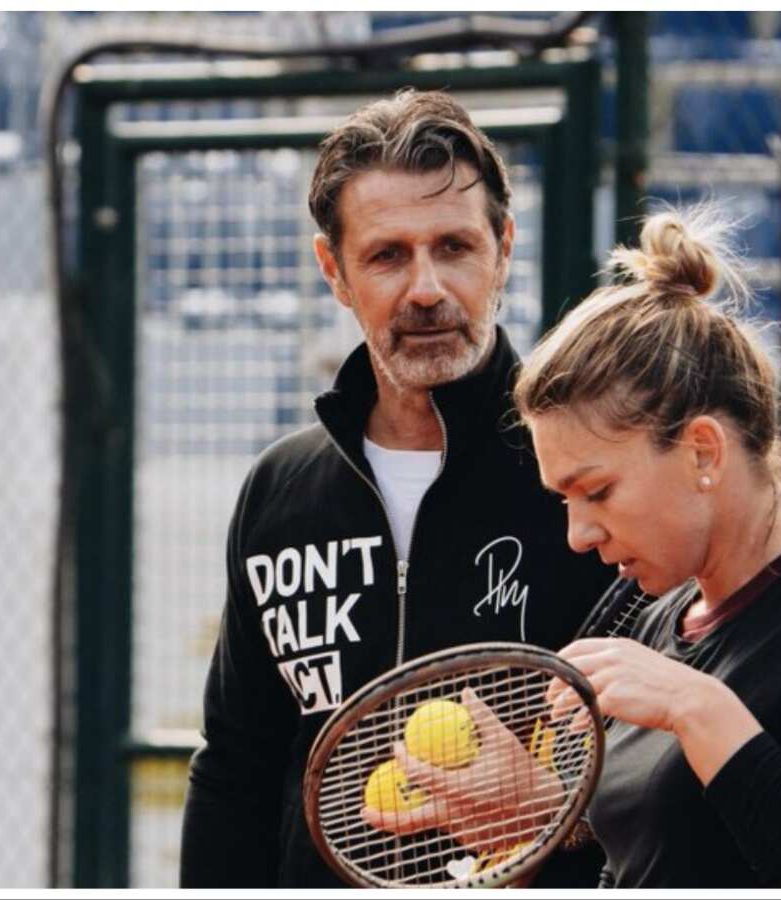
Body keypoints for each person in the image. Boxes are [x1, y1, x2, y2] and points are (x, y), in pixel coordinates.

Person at [178, 89, 618, 888]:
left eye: (454, 247)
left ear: (504, 249)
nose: (426, 289)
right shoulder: (282, 490)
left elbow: (665, 777)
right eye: (387, 256)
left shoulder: (590, 478)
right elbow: (235, 767)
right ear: (334, 271)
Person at [514, 206, 781, 888]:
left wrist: (698, 708)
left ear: (702, 452)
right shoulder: (649, 614)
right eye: (563, 500)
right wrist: (525, 816)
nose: (578, 534)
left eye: (596, 492)